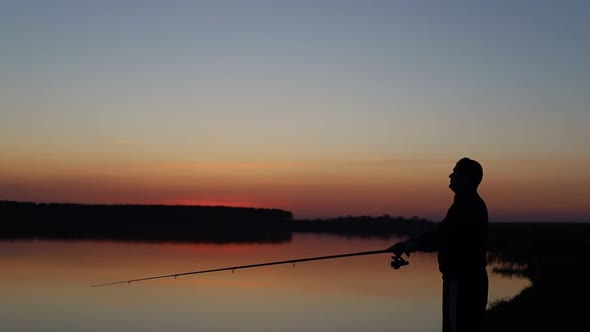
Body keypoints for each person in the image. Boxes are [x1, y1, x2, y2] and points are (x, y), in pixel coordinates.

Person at [389, 157, 489, 332]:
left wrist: (410, 245)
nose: (450, 175)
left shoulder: (468, 206)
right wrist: (409, 244)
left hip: (463, 282)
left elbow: (442, 237)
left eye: (455, 172)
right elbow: (442, 234)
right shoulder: (464, 204)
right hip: (464, 281)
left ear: (466, 178)